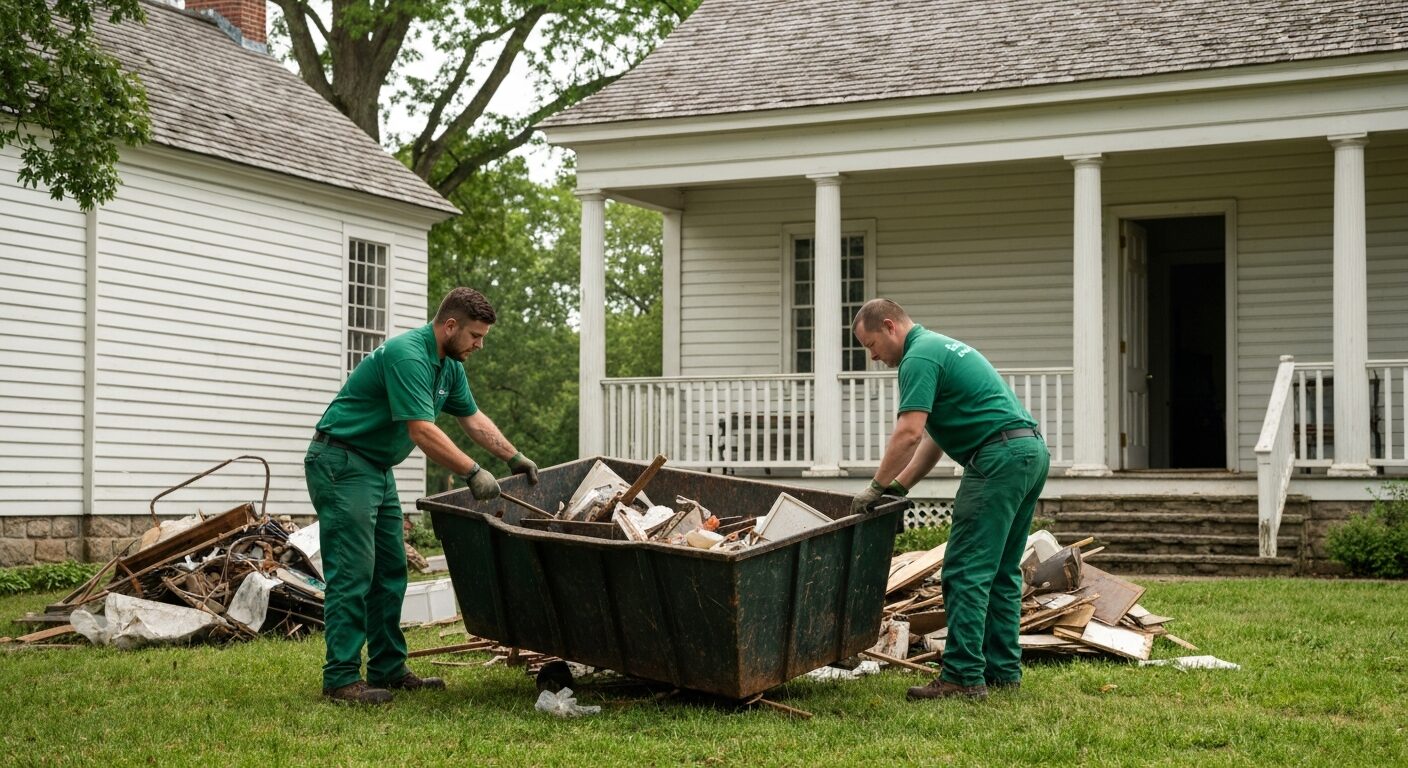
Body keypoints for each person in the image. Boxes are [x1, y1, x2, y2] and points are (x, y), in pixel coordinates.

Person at [305, 287, 539, 704]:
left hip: (376, 467)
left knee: (391, 572)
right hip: (341, 462)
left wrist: (513, 456)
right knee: (353, 573)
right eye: (475, 336)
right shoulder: (408, 355)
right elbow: (422, 431)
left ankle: (387, 668)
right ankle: (340, 679)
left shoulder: (449, 366)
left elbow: (472, 418)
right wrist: (472, 471)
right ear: (450, 326)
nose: (479, 345)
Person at [849, 298, 1048, 702]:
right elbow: (933, 439)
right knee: (1002, 571)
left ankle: (961, 676)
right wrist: (900, 487)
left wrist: (874, 486)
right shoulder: (940, 346)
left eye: (871, 345)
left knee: (964, 571)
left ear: (890, 327)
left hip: (997, 460)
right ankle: (1002, 671)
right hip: (1028, 453)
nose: (872, 357)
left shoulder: (917, 357)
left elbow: (908, 432)